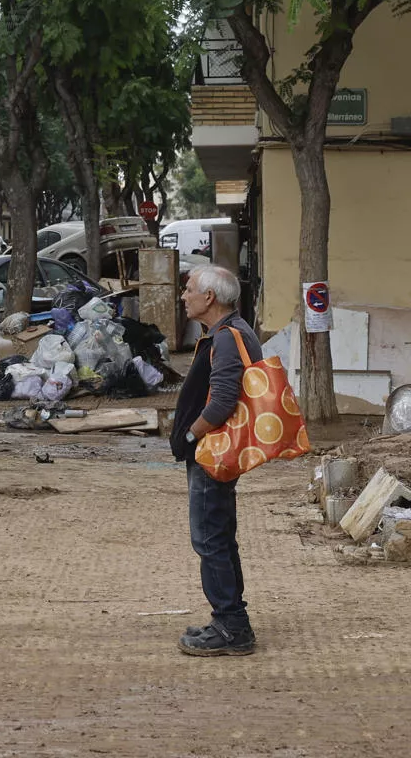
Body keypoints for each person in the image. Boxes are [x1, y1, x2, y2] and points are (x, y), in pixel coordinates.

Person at [169, 263, 263, 657]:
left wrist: (191, 435)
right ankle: (230, 620)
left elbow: (224, 400)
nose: (183, 295)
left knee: (209, 538)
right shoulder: (234, 332)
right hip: (217, 453)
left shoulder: (226, 338)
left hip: (212, 453)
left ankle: (231, 628)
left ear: (209, 297)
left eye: (189, 289)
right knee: (219, 536)